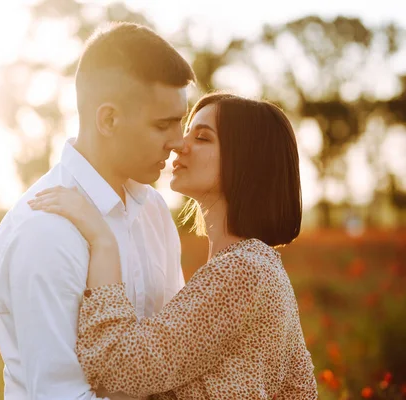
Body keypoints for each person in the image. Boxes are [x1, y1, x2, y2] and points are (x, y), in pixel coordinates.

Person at [29, 92, 318, 399]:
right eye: (187, 131)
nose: (180, 144)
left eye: (203, 137)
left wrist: (102, 242)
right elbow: (300, 390)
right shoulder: (261, 267)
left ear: (246, 159)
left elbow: (120, 368)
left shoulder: (242, 271)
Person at [0, 22, 195, 400]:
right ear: (109, 120)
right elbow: (59, 394)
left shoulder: (153, 210)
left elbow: (171, 361)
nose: (179, 141)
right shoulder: (44, 230)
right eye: (163, 124)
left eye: (181, 121)